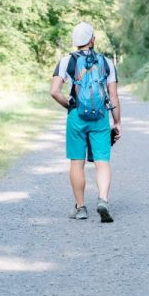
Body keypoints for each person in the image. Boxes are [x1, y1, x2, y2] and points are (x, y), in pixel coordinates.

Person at [50, 22, 122, 223]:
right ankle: (103, 200)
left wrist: (70, 106)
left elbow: (54, 91)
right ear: (93, 40)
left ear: (75, 43)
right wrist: (117, 122)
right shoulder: (106, 62)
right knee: (102, 161)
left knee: (76, 162)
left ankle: (80, 207)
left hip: (77, 117)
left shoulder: (66, 61)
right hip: (100, 117)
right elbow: (113, 96)